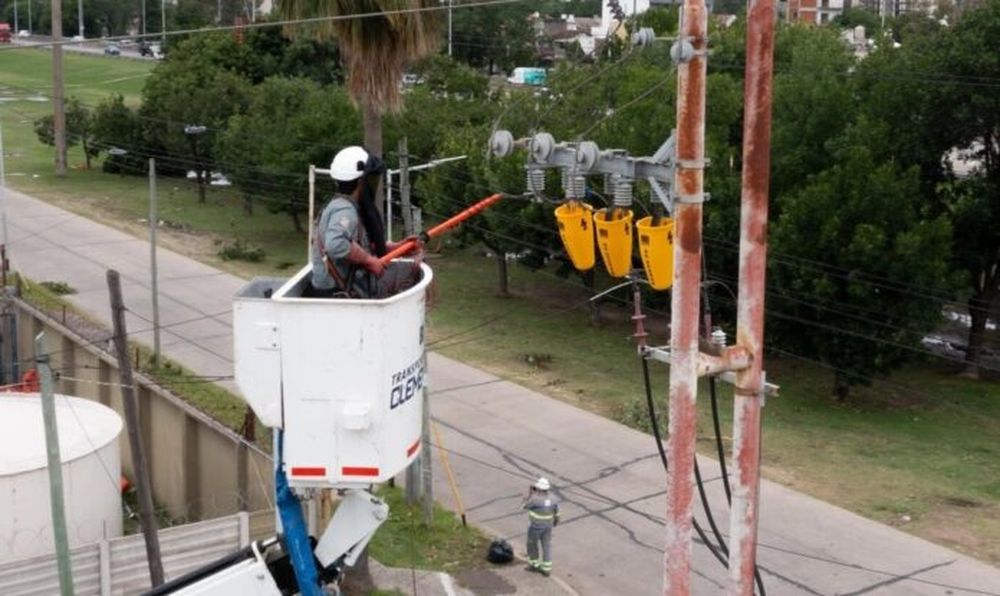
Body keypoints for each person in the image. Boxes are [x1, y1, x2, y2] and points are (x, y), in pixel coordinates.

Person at [305, 146, 422, 299]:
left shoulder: (341, 205)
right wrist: (369, 261)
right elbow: (336, 244)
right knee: (411, 276)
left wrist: (398, 248)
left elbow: (360, 246)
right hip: (336, 300)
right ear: (361, 182)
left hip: (339, 296)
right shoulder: (345, 210)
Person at [523, 476, 559, 577]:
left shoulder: (535, 499)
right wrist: (555, 522)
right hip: (548, 526)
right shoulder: (553, 498)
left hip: (536, 527)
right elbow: (557, 512)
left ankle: (534, 564)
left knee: (532, 545)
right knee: (546, 546)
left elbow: (525, 506)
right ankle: (546, 569)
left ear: (539, 488)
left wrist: (530, 494)